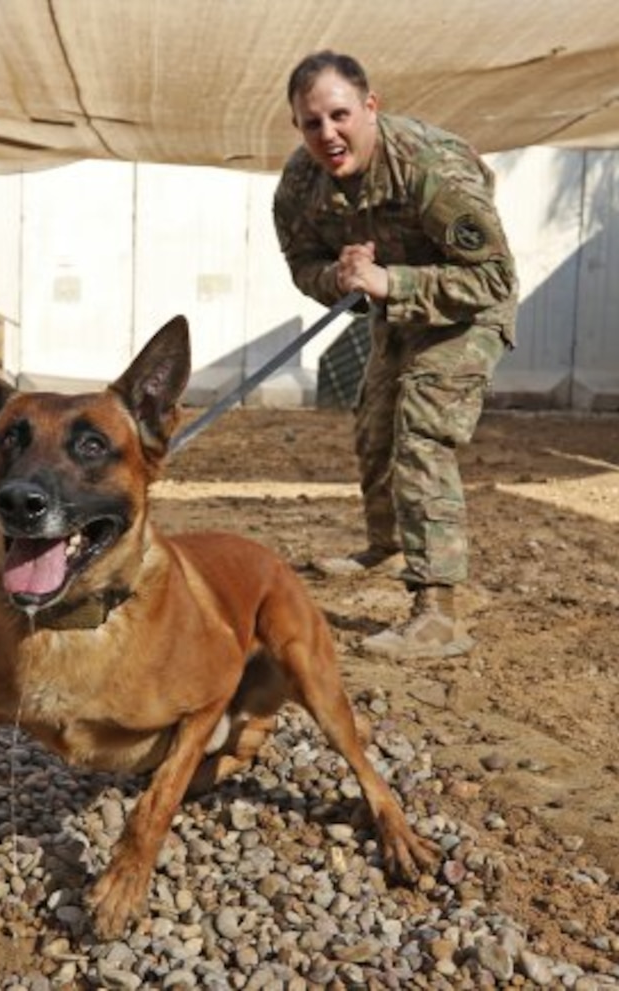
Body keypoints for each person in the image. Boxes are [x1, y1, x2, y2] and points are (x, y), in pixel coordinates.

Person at [272, 50, 517, 660]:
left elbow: (494, 279)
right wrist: (340, 276)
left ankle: (438, 613)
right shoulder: (301, 184)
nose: (328, 134)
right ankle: (385, 547)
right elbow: (303, 263)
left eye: (340, 115)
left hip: (468, 312)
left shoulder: (430, 167)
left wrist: (393, 284)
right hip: (397, 309)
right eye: (312, 123)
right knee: (374, 431)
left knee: (420, 434)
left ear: (370, 107)